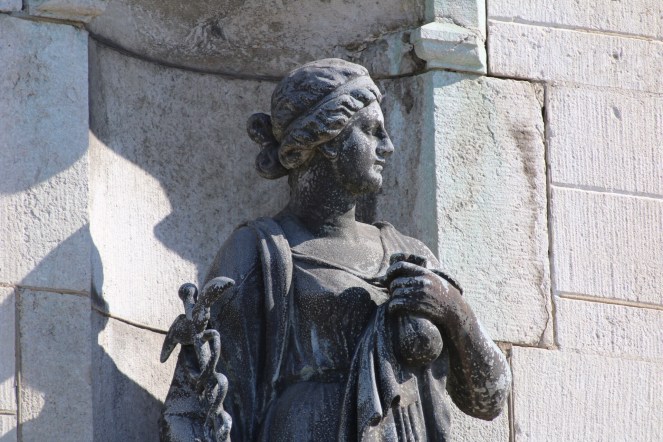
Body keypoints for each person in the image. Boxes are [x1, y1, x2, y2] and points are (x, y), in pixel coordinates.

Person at [160, 59, 510, 442]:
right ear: (326, 138)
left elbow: (489, 400)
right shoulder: (260, 250)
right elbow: (195, 400)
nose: (387, 146)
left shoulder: (409, 254)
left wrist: (455, 311)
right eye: (372, 132)